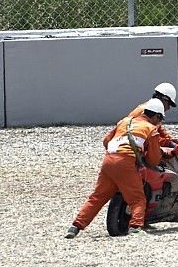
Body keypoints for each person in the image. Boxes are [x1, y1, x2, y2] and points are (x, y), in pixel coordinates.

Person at [65, 97, 166, 238]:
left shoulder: (125, 121)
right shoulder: (151, 129)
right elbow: (154, 159)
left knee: (97, 197)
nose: (160, 123)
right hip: (125, 163)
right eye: (160, 120)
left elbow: (106, 140)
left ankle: (75, 227)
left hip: (108, 161)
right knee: (137, 199)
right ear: (156, 116)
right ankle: (135, 227)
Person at [112, 82, 178, 149]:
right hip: (131, 147)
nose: (168, 108)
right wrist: (168, 143)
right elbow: (149, 138)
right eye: (169, 104)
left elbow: (158, 129)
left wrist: (170, 139)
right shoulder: (145, 112)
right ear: (164, 99)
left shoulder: (154, 111)